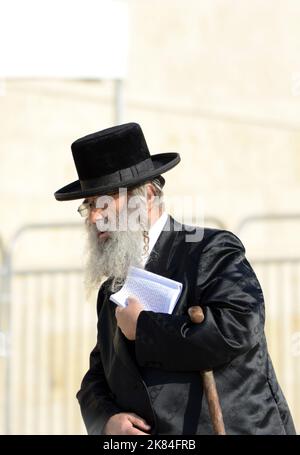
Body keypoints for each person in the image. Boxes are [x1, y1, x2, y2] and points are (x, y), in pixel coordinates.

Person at [54, 122, 296, 435]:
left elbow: (239, 327)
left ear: (149, 195)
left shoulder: (209, 251)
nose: (95, 216)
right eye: (89, 205)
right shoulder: (111, 288)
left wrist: (144, 328)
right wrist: (106, 420)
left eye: (107, 200)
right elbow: (97, 376)